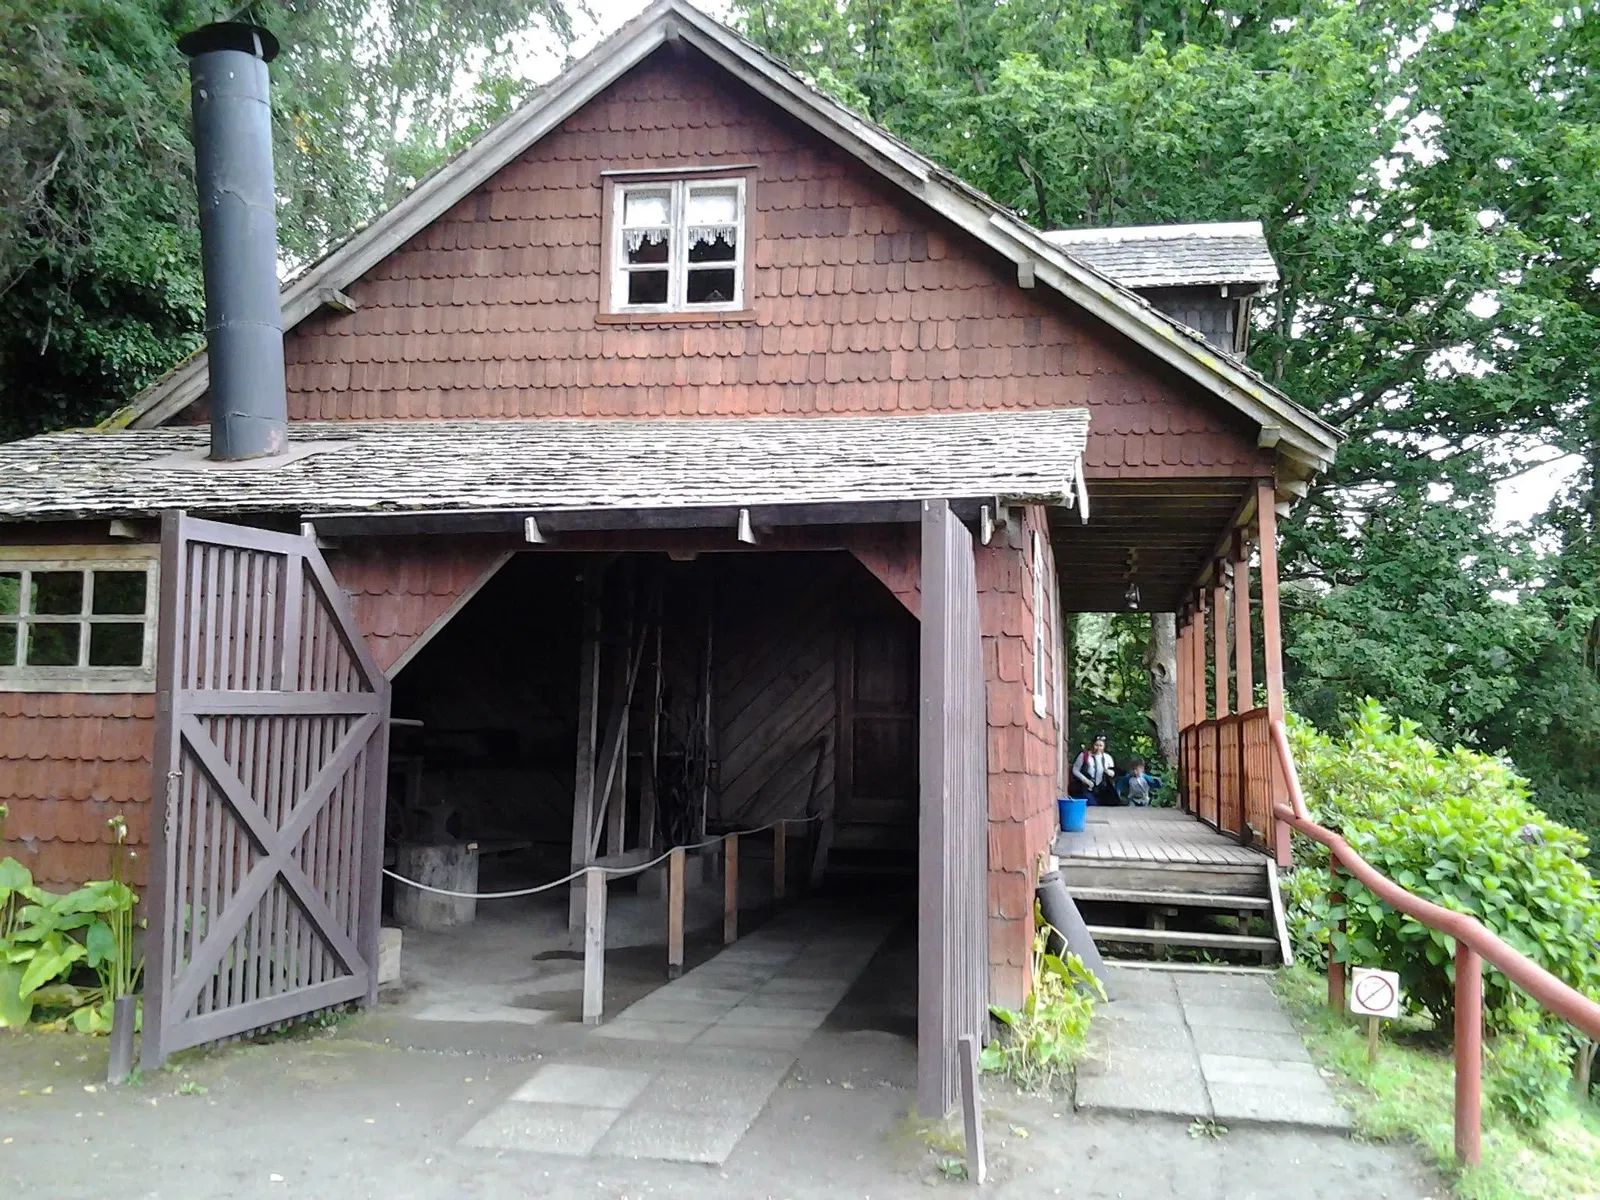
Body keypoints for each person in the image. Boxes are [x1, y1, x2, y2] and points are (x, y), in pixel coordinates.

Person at [1070, 735, 1116, 805]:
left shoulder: (1107, 758)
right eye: (1096, 745)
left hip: (1103, 789)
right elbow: (1075, 770)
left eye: (1101, 746)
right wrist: (1085, 780)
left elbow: (1113, 772)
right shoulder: (1084, 755)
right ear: (1092, 745)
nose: (1098, 748)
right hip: (1087, 788)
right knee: (1092, 806)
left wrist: (1110, 772)